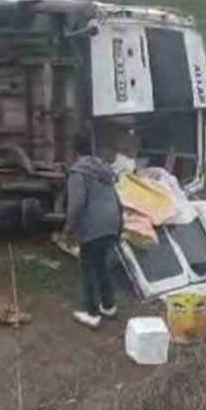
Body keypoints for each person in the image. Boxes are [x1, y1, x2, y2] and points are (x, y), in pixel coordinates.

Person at [64, 136, 124, 329]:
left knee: (88, 267)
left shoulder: (78, 172)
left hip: (94, 226)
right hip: (112, 222)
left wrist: (68, 229)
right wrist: (119, 225)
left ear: (75, 153)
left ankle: (91, 313)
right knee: (101, 265)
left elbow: (77, 204)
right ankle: (108, 306)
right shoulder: (104, 171)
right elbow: (117, 199)